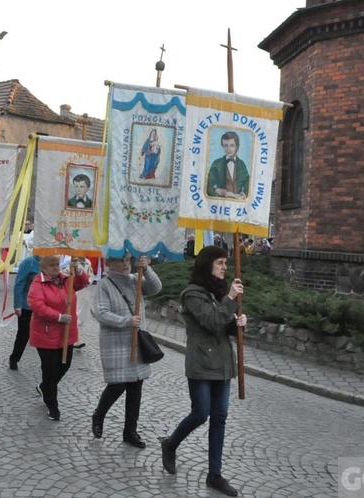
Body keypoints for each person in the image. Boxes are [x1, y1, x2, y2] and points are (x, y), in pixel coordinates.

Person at [160, 245, 247, 497]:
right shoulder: (192, 294)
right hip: (201, 364)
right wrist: (230, 300)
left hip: (223, 365)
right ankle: (170, 443)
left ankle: (215, 475)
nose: (224, 267)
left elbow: (224, 325)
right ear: (207, 264)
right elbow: (211, 321)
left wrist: (238, 324)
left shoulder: (218, 292)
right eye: (220, 262)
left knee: (219, 417)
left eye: (225, 262)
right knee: (200, 413)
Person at [91, 253, 162, 448]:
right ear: (109, 263)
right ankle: (99, 414)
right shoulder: (104, 285)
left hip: (136, 343)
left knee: (135, 387)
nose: (125, 264)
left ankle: (130, 431)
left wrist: (146, 268)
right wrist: (126, 321)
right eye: (121, 261)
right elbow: (102, 313)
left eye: (128, 260)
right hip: (116, 343)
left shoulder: (134, 279)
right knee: (117, 385)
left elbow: (156, 288)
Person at [28, 255, 89, 421]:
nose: (55, 268)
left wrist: (77, 269)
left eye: (57, 264)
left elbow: (82, 283)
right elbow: (38, 306)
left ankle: (44, 387)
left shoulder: (66, 280)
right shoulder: (37, 284)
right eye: (51, 265)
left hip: (67, 334)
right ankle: (52, 406)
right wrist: (59, 317)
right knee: (50, 371)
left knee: (65, 365)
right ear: (43, 267)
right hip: (46, 335)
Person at [9, 254, 40, 371]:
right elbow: (19, 283)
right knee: (23, 334)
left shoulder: (51, 262)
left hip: (43, 306)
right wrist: (18, 304)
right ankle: (14, 358)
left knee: (44, 335)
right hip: (27, 305)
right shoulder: (28, 263)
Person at [206, 132, 249, 199]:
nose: (228, 149)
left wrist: (245, 193)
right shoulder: (216, 164)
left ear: (237, 147)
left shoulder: (241, 164)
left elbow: (247, 183)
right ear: (222, 146)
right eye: (226, 145)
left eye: (232, 145)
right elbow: (207, 186)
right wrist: (216, 190)